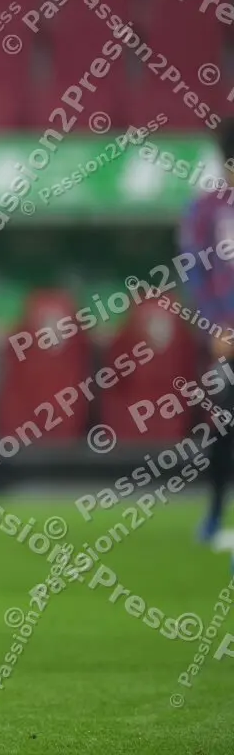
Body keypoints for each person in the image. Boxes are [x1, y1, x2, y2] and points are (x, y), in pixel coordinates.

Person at [178, 117, 234, 545]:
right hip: (226, 336)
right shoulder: (205, 210)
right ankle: (215, 514)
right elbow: (194, 271)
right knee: (224, 425)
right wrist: (215, 325)